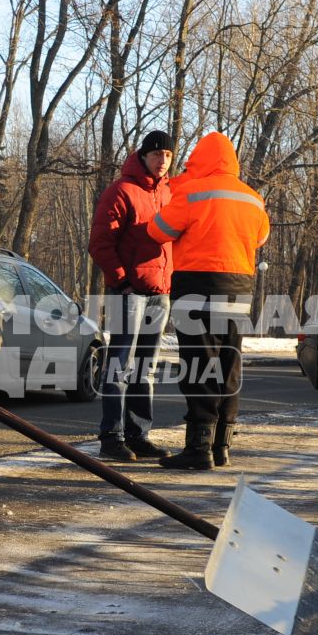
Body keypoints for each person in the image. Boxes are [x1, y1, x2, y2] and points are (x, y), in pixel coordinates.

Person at [148, 132, 270, 470]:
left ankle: (198, 449)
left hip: (197, 285)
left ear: (199, 159)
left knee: (201, 363)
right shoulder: (253, 198)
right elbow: (261, 237)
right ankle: (221, 447)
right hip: (240, 287)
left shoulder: (192, 192)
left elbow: (158, 231)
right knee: (229, 363)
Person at [88, 130, 175, 461]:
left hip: (159, 293)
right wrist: (122, 282)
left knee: (145, 367)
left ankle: (138, 435)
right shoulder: (121, 191)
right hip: (129, 292)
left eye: (168, 156)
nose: (162, 161)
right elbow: (100, 243)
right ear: (143, 156)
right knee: (120, 365)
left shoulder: (169, 193)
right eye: (157, 155)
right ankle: (112, 437)